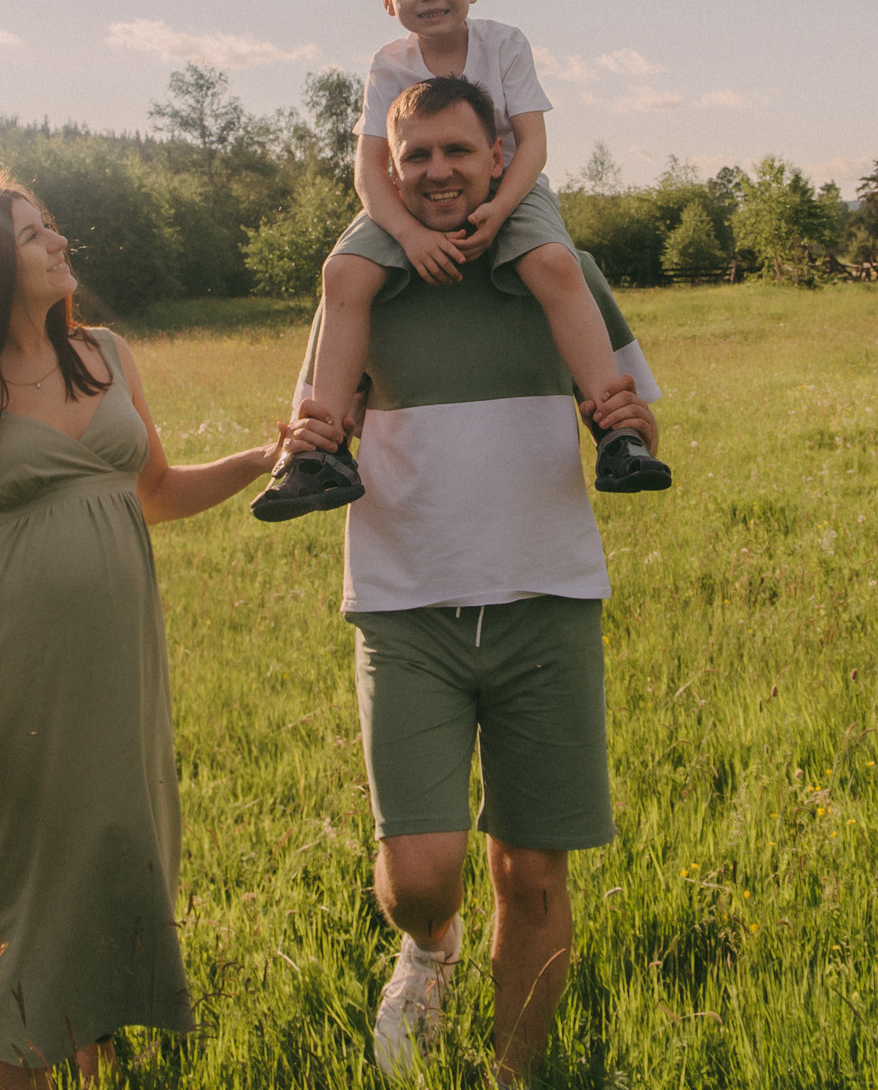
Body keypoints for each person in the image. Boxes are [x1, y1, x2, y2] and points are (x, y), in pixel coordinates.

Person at [278, 77, 661, 1087]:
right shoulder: (361, 285)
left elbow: (634, 415)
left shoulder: (556, 271)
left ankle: (515, 1074)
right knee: (422, 875)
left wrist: (618, 418)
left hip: (547, 599)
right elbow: (317, 428)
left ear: (501, 155)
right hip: (408, 602)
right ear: (387, 173)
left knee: (532, 870)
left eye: (458, 151)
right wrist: (321, 430)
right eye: (417, 158)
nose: (438, 172)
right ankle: (428, 946)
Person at [0, 172, 283, 1087]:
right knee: (29, 894)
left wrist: (266, 457)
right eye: (35, 236)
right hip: (17, 672)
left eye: (53, 227)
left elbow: (160, 492)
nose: (60, 244)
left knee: (111, 869)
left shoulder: (104, 352)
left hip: (119, 669)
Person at [252, 0, 666, 521]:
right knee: (343, 274)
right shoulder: (388, 65)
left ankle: (615, 428)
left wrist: (501, 208)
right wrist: (410, 235)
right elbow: (370, 172)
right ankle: (323, 447)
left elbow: (532, 144)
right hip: (407, 197)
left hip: (508, 186)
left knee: (554, 262)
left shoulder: (505, 44)